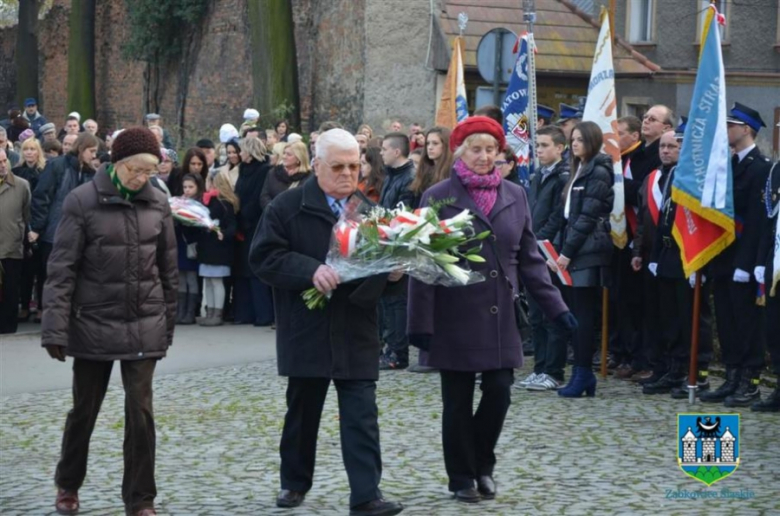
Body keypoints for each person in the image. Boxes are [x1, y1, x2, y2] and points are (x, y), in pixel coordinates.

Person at [407, 117, 573, 503]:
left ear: (501, 153)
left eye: (490, 150)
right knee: (458, 399)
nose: (484, 157)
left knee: (499, 391)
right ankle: (462, 476)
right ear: (460, 151)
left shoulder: (516, 194)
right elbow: (423, 261)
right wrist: (419, 322)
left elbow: (530, 259)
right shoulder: (438, 196)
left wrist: (556, 308)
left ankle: (483, 462)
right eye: (475, 149)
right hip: (454, 313)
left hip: (500, 312)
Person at [250, 128, 404, 516]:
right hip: (307, 326)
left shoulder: (369, 213)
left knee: (362, 414)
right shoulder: (286, 207)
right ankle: (294, 483)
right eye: (338, 166)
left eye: (354, 166)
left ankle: (367, 495)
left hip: (356, 328)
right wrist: (310, 270)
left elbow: (378, 278)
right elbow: (264, 258)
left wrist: (391, 275)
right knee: (303, 411)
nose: (348, 174)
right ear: (316, 165)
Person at [41, 127, 176, 516]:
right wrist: (54, 327)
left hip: (142, 323)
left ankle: (140, 499)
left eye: (150, 171)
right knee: (84, 411)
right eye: (136, 169)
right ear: (117, 165)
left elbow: (168, 271)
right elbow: (61, 269)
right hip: (93, 323)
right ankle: (68, 483)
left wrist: (166, 325)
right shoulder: (81, 202)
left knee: (141, 415)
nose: (142, 178)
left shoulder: (157, 203)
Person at [701, 103, 771, 407]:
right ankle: (731, 376)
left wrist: (750, 263)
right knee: (727, 321)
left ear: (746, 129)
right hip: (722, 257)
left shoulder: (761, 167)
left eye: (731, 124)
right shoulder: (726, 165)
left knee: (746, 323)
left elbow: (758, 221)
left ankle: (750, 381)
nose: (727, 129)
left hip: (744, 260)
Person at [639, 131, 714, 397]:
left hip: (690, 254)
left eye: (673, 146)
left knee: (691, 318)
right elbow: (663, 220)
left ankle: (697, 373)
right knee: (669, 317)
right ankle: (674, 368)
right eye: (664, 146)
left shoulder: (695, 175)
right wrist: (656, 257)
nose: (666, 150)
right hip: (669, 254)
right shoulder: (667, 174)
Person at [551, 121, 614, 398]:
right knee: (573, 312)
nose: (574, 144)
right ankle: (580, 371)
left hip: (587, 252)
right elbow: (563, 215)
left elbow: (587, 218)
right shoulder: (577, 171)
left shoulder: (598, 171)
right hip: (573, 248)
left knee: (583, 315)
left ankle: (583, 371)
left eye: (579, 140)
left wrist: (565, 254)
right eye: (572, 139)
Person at [519, 125, 571, 391]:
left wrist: (538, 239)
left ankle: (554, 370)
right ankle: (539, 368)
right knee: (536, 315)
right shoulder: (539, 174)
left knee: (552, 314)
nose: (539, 150)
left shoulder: (564, 176)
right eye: (537, 145)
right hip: (532, 250)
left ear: (560, 148)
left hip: (549, 251)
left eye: (544, 145)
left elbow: (557, 215)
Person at [30, 132, 100, 322]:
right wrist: (37, 227)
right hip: (54, 231)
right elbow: (41, 196)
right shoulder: (57, 165)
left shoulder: (91, 174)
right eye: (91, 151)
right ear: (82, 148)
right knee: (49, 274)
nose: (94, 155)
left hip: (78, 233)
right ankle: (46, 310)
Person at [377, 132, 416, 369]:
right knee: (387, 301)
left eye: (384, 149)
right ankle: (389, 348)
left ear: (396, 151)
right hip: (386, 244)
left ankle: (398, 353)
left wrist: (401, 257)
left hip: (399, 247)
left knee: (397, 302)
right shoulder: (392, 176)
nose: (380, 153)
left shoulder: (408, 178)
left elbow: (406, 219)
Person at [233, 136, 274, 326]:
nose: (239, 153)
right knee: (242, 270)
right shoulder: (243, 169)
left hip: (255, 223)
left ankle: (263, 314)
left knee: (254, 269)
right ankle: (244, 312)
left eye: (242, 150)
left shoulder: (264, 170)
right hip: (242, 223)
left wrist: (245, 214)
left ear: (249, 151)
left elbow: (258, 196)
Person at [752, 156, 779, 412]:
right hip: (777, 261)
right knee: (774, 328)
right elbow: (767, 220)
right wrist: (761, 260)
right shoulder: (777, 170)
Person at [196, 173, 238, 327]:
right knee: (208, 281)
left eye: (208, 181)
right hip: (207, 246)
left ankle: (218, 313)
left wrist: (224, 233)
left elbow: (232, 226)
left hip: (219, 248)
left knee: (216, 281)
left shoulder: (225, 203)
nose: (206, 184)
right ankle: (210, 312)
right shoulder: (207, 201)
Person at [13, 138, 47, 323]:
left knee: (41, 270)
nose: (29, 152)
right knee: (25, 270)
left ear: (38, 151)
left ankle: (41, 306)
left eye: (33, 149)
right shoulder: (17, 171)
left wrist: (39, 229)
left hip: (41, 226)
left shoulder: (45, 172)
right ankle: (25, 306)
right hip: (22, 225)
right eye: (26, 149)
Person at [0, 149, 31, 334]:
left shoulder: (21, 185)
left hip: (11, 246)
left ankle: (8, 326)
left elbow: (26, 214)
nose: (3, 165)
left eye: (4, 161)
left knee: (11, 290)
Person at [175, 173, 204, 325]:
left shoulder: (199, 204)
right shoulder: (179, 201)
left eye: (191, 187)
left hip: (192, 244)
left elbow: (201, 224)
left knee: (191, 278)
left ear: (198, 187)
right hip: (180, 242)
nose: (187, 190)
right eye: (185, 187)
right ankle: (181, 311)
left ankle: (190, 312)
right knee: (180, 277)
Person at [260, 141, 311, 209]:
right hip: (273, 214)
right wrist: (273, 210)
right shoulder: (273, 172)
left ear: (299, 158)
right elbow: (264, 196)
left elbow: (308, 200)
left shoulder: (309, 177)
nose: (284, 157)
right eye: (284, 153)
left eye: (288, 154)